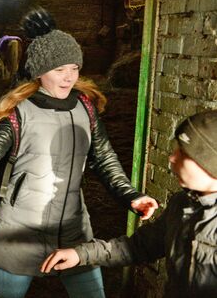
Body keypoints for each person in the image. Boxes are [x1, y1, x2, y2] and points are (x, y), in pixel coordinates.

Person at [0, 7, 158, 298]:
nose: (69, 77)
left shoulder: (86, 108)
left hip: (73, 227)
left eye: (74, 68)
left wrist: (131, 196)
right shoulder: (19, 114)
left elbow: (105, 159)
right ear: (40, 71)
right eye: (60, 70)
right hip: (20, 229)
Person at [41, 110, 217, 297]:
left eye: (183, 153)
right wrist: (82, 254)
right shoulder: (182, 204)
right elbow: (139, 247)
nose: (172, 158)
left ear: (209, 163)